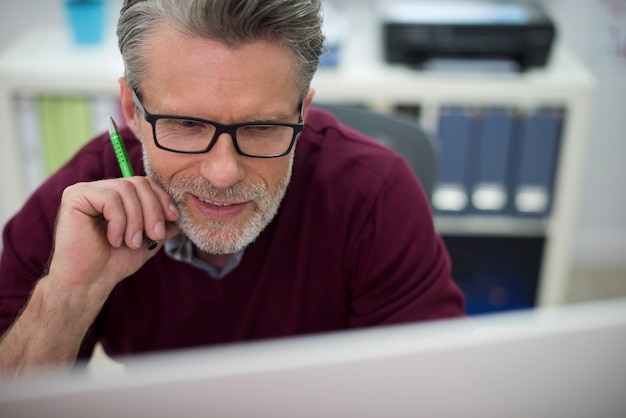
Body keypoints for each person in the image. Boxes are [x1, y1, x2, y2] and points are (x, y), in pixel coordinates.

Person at [0, 0, 464, 378]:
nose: (223, 173)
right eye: (185, 124)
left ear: (302, 112)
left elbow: (437, 391)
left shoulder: (374, 193)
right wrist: (68, 293)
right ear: (131, 110)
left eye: (262, 127)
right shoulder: (85, 203)